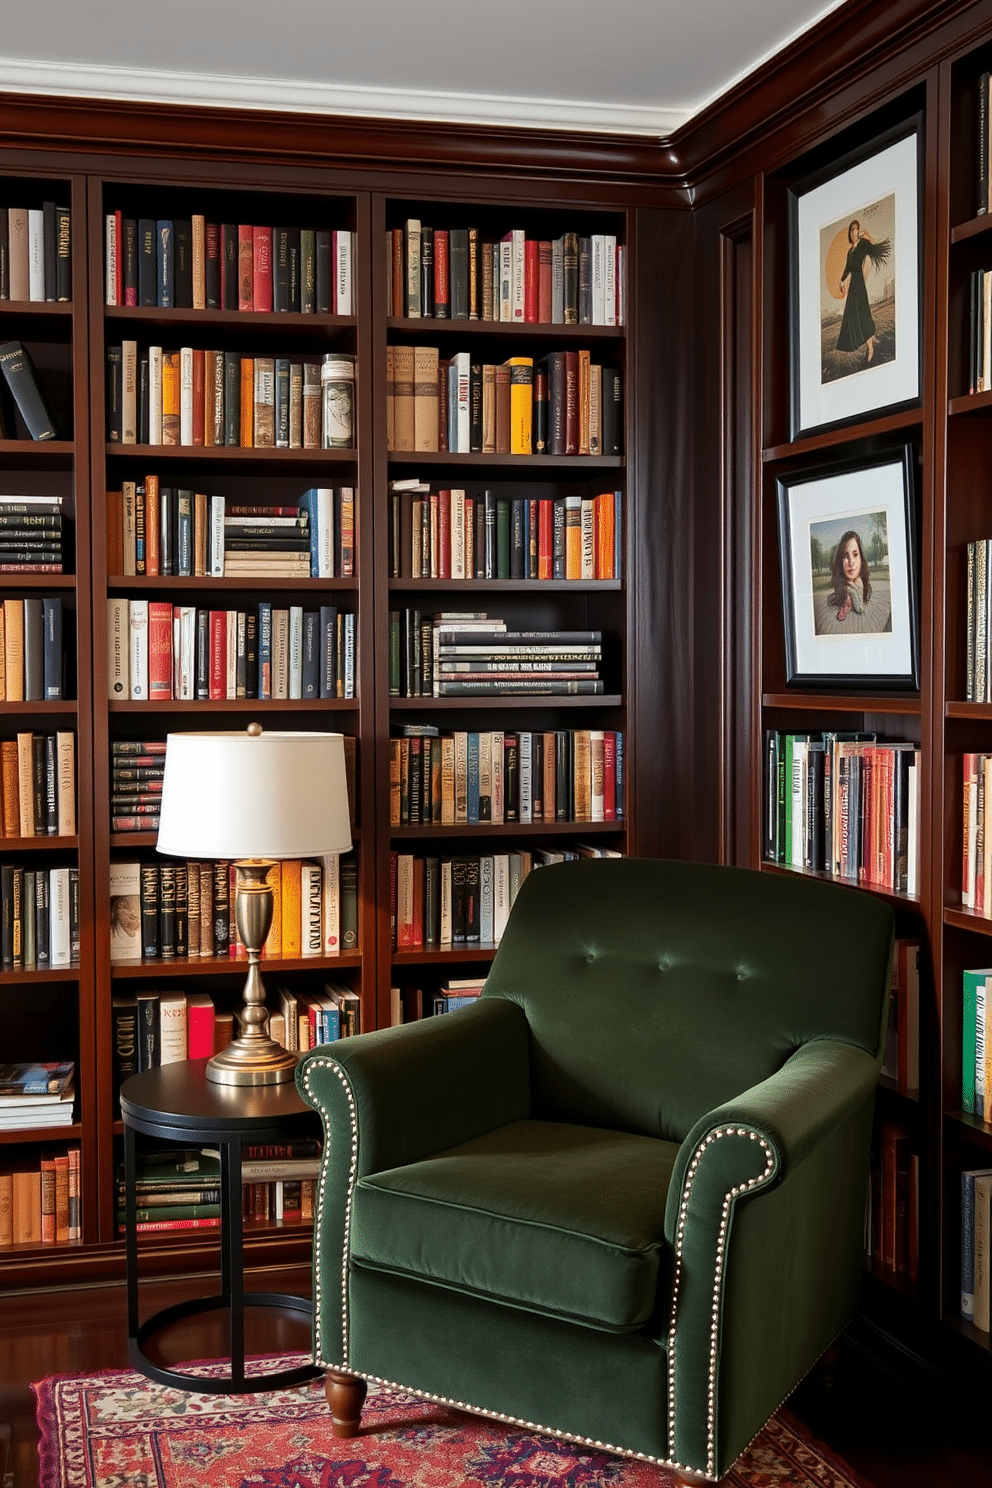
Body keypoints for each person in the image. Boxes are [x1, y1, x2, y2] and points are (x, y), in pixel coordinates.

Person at [836, 219, 891, 362]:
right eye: (851, 230)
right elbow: (848, 268)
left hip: (859, 282)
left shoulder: (863, 245)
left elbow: (873, 251)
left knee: (863, 312)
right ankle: (861, 340)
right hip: (853, 282)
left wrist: (869, 238)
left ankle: (870, 346)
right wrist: (842, 280)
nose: (853, 232)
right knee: (852, 314)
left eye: (855, 229)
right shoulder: (850, 251)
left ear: (858, 231)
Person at [829, 530, 872, 621]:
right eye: (845, 556)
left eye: (855, 554)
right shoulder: (842, 587)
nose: (851, 562)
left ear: (861, 558)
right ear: (841, 561)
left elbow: (859, 607)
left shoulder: (861, 584)